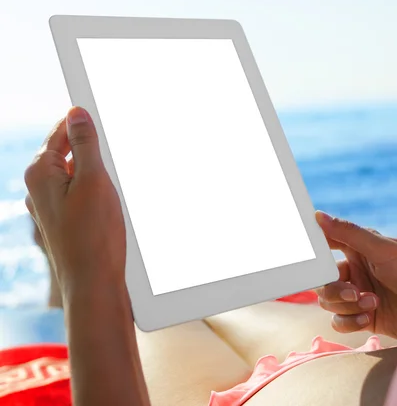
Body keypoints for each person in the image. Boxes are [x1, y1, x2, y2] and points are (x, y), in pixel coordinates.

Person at [23, 106, 397, 406]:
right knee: (215, 304)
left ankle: (69, 274)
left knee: (146, 314)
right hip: (368, 358)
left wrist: (85, 275)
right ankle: (133, 260)